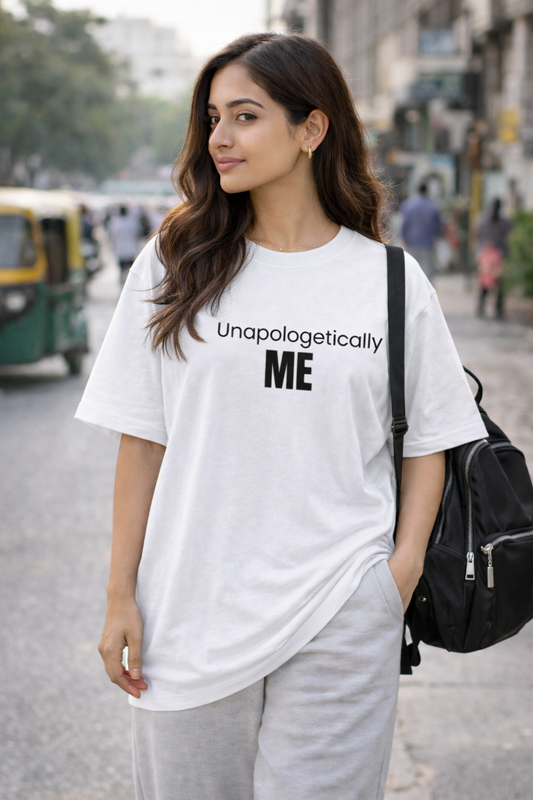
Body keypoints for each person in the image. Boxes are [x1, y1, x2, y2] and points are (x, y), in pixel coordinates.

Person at [75, 33, 487, 800]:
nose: (218, 138)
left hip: (340, 609)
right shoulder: (174, 263)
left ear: (311, 128)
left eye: (244, 116)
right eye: (210, 119)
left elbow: (431, 440)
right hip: (189, 613)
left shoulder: (388, 281)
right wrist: (119, 595)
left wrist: (390, 583)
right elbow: (143, 437)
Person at [476, 198, 513, 318]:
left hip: (486, 257)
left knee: (485, 283)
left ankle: (481, 307)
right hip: (498, 257)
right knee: (499, 282)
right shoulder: (504, 223)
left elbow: (477, 235)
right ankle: (498, 309)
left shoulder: (483, 221)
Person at [400, 183, 443, 281]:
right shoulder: (433, 206)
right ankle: (426, 294)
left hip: (411, 242)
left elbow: (404, 224)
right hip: (427, 243)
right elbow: (438, 227)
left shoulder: (408, 205)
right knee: (427, 269)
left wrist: (403, 237)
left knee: (410, 268)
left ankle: (411, 292)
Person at [107, 205, 141, 285]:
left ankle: (122, 285)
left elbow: (111, 236)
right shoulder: (132, 222)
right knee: (130, 270)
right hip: (131, 249)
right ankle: (130, 285)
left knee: (121, 270)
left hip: (120, 249)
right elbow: (137, 234)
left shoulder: (114, 222)